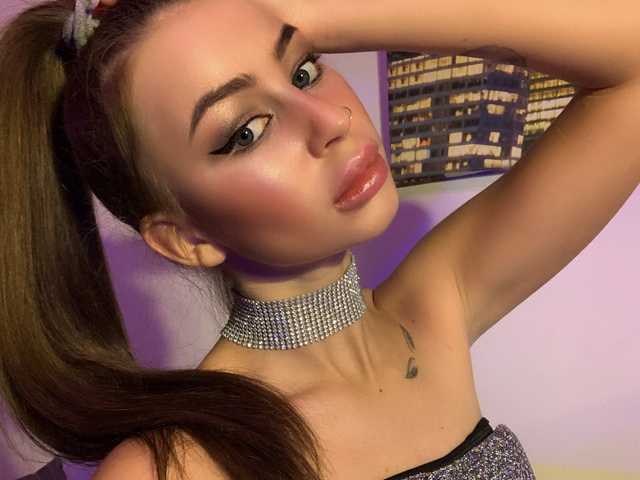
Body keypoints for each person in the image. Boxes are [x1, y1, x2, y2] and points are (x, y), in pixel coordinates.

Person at [1, 0, 638, 479]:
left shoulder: (434, 306)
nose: (332, 120)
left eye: (304, 71)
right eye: (246, 132)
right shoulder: (176, 468)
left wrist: (315, 14)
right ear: (184, 237)